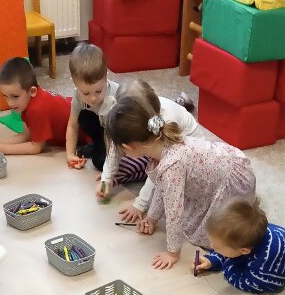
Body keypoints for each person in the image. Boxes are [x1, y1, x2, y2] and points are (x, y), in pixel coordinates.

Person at [104, 95, 256, 269]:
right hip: (225, 163)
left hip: (233, 181)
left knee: (218, 233)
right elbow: (161, 186)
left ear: (128, 147)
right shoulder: (160, 143)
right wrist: (152, 218)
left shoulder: (171, 166)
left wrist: (172, 253)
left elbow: (174, 213)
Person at [100, 78, 205, 210]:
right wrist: (106, 179)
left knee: (169, 185)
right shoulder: (143, 124)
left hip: (188, 157)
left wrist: (140, 204)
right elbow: (117, 145)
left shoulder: (166, 122)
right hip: (153, 148)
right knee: (122, 168)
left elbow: (159, 167)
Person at [0, 58, 74, 155]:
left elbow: (36, 147)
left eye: (15, 96)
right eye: (5, 96)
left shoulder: (37, 109)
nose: (10, 103)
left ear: (32, 91)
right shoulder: (27, 100)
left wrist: (3, 149)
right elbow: (26, 135)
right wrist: (0, 143)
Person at [65, 43, 121, 173]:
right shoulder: (77, 95)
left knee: (100, 163)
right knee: (83, 116)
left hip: (117, 134)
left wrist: (110, 167)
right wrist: (70, 154)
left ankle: (99, 148)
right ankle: (97, 144)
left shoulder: (116, 95)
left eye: (98, 91)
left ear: (106, 77)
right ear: (75, 84)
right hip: (101, 128)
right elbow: (72, 125)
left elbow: (122, 133)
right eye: (86, 93)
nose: (93, 98)